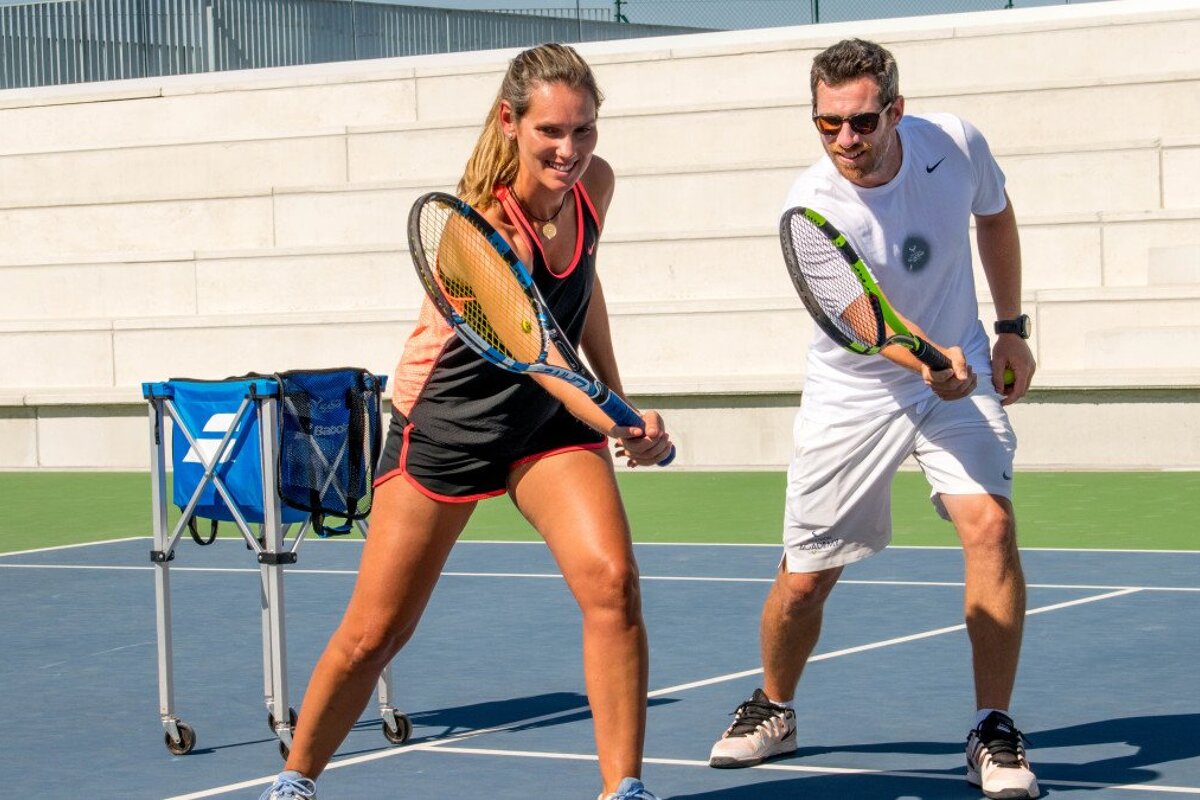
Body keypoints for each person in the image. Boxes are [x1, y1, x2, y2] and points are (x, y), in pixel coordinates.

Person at [260, 43, 671, 800]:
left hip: (548, 424)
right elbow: (542, 354)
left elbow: (583, 294)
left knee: (613, 584)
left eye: (583, 131)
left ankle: (625, 791)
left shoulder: (593, 189)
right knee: (375, 633)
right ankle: (293, 782)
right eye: (551, 131)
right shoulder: (480, 232)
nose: (570, 150)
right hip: (450, 422)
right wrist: (619, 418)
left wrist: (620, 392)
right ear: (510, 123)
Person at [706, 38, 1040, 800]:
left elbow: (996, 215)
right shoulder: (813, 206)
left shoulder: (954, 144)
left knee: (990, 525)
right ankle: (776, 708)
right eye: (828, 125)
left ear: (896, 108)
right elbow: (864, 321)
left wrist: (1011, 325)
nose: (846, 141)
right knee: (804, 583)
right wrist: (933, 361)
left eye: (861, 122)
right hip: (854, 393)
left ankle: (993, 727)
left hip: (954, 371)